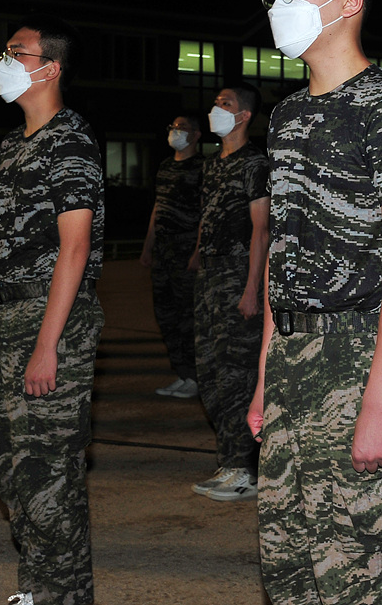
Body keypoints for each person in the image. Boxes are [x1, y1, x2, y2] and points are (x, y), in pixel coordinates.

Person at [247, 0, 382, 605]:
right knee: (289, 561)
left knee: (360, 561)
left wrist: (380, 403)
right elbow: (283, 251)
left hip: (357, 352)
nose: (280, 0)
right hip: (293, 361)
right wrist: (267, 374)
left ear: (348, 0)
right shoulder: (289, 115)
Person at [0, 14, 105, 605]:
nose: (3, 61)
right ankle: (38, 588)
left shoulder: (70, 138)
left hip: (54, 323)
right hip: (8, 318)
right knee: (12, 470)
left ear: (49, 68)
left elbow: (75, 246)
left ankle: (62, 595)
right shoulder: (14, 146)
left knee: (48, 475)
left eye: (15, 52)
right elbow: (3, 250)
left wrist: (47, 344)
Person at [188, 85, 269, 502]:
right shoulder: (211, 164)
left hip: (239, 279)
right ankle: (229, 460)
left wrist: (252, 288)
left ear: (243, 116)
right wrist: (198, 257)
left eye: (226, 104)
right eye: (216, 102)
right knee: (211, 373)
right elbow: (208, 216)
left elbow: (261, 228)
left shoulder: (254, 163)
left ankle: (244, 468)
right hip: (210, 280)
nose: (216, 109)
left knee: (238, 375)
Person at [140, 114, 203, 399]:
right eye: (172, 127)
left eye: (182, 128)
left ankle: (195, 375)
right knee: (165, 314)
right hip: (163, 253)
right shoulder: (165, 166)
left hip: (185, 250)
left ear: (196, 135)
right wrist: (147, 247)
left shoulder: (202, 168)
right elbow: (157, 207)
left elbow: (206, 213)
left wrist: (197, 251)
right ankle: (182, 372)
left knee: (187, 316)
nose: (175, 132)